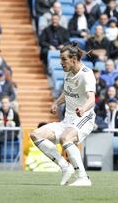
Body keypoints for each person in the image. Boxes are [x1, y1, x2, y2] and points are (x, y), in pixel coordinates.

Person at [30, 42, 96, 186]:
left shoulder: (86, 74)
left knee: (66, 138)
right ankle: (65, 167)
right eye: (60, 59)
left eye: (63, 59)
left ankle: (83, 178)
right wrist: (55, 103)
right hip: (68, 120)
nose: (61, 63)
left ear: (73, 59)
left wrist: (83, 109)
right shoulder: (68, 74)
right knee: (35, 135)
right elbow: (67, 93)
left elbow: (91, 98)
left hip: (84, 117)